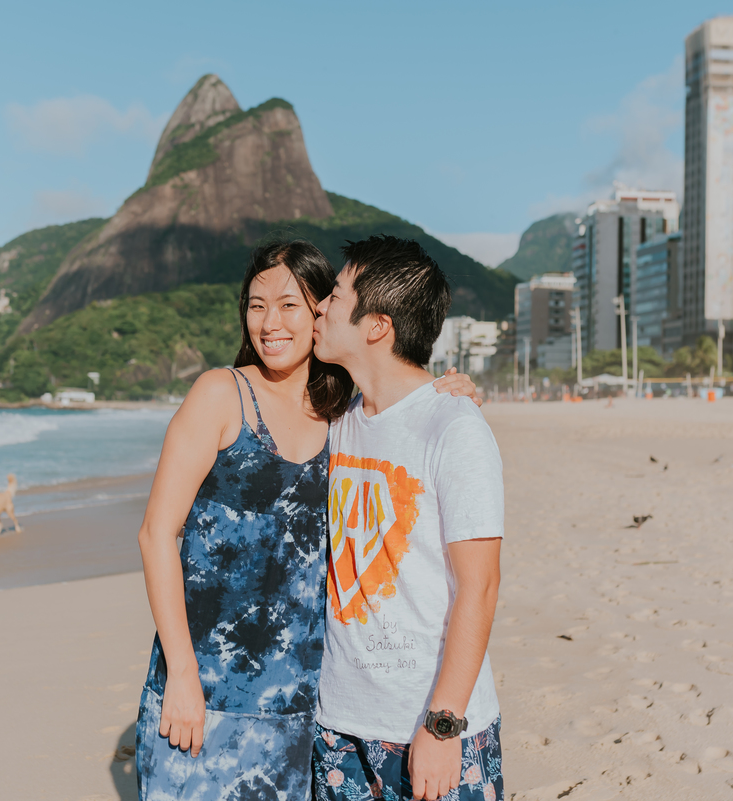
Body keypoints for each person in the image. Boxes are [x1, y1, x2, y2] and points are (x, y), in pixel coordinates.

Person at [134, 240, 477, 799]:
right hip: (204, 691)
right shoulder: (221, 393)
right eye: (256, 304)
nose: (270, 322)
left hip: (302, 707)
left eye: (290, 305)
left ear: (322, 313)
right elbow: (156, 535)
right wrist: (182, 675)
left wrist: (449, 389)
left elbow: (405, 405)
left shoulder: (343, 414)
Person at [310, 236, 504, 801]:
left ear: (377, 325)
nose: (321, 305)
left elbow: (481, 584)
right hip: (339, 724)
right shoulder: (337, 419)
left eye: (337, 294)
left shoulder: (454, 428)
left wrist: (444, 725)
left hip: (429, 724)